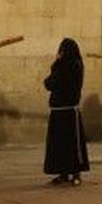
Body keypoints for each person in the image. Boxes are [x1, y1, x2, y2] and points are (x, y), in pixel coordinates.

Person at [43, 38, 90, 184]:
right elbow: (49, 83)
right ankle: (63, 172)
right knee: (59, 144)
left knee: (72, 144)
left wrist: (57, 63)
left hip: (69, 111)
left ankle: (76, 174)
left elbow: (51, 82)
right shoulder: (63, 66)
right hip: (58, 111)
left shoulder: (73, 66)